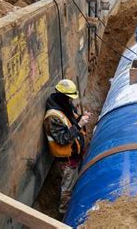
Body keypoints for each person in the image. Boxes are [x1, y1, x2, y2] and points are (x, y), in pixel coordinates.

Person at [43, 79, 90, 214]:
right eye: (69, 98)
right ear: (61, 95)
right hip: (67, 161)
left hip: (75, 156)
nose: (71, 101)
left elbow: (73, 121)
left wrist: (82, 117)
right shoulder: (53, 117)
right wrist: (79, 125)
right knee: (67, 188)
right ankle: (64, 213)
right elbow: (62, 139)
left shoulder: (64, 107)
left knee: (74, 183)